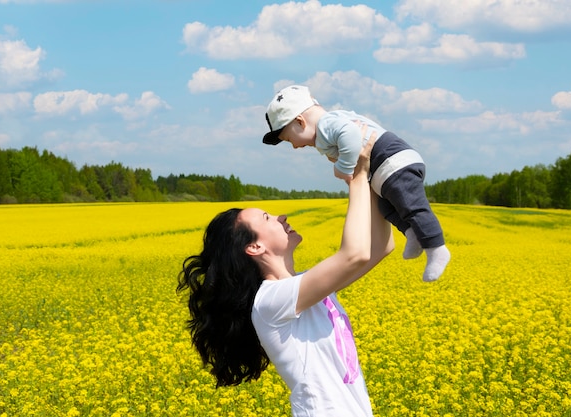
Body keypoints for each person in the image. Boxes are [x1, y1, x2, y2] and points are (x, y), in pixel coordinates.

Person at [177, 131, 393, 416]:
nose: (281, 217)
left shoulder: (302, 289)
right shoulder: (270, 301)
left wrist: (373, 179)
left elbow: (381, 247)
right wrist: (356, 175)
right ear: (254, 247)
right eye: (267, 218)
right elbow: (355, 254)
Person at [262, 84, 450, 282]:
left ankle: (436, 248)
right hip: (382, 171)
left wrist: (344, 167)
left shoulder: (326, 124)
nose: (294, 146)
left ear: (300, 122)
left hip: (393, 163)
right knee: (386, 207)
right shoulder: (331, 122)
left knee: (412, 206)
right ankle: (412, 233)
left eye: (289, 139)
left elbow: (351, 135)